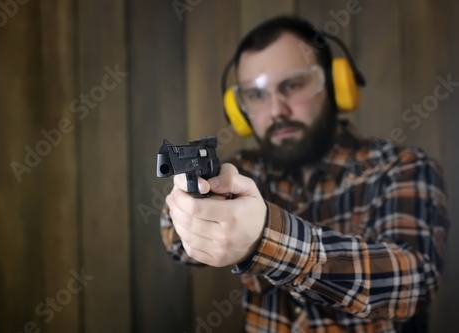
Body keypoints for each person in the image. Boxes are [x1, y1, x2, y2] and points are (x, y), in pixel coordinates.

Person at [160, 16, 449, 332]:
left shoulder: (403, 166)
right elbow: (176, 240)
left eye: (293, 85)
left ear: (337, 85)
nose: (276, 110)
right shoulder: (241, 172)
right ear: (239, 110)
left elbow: (411, 284)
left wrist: (264, 237)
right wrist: (191, 208)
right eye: (256, 95)